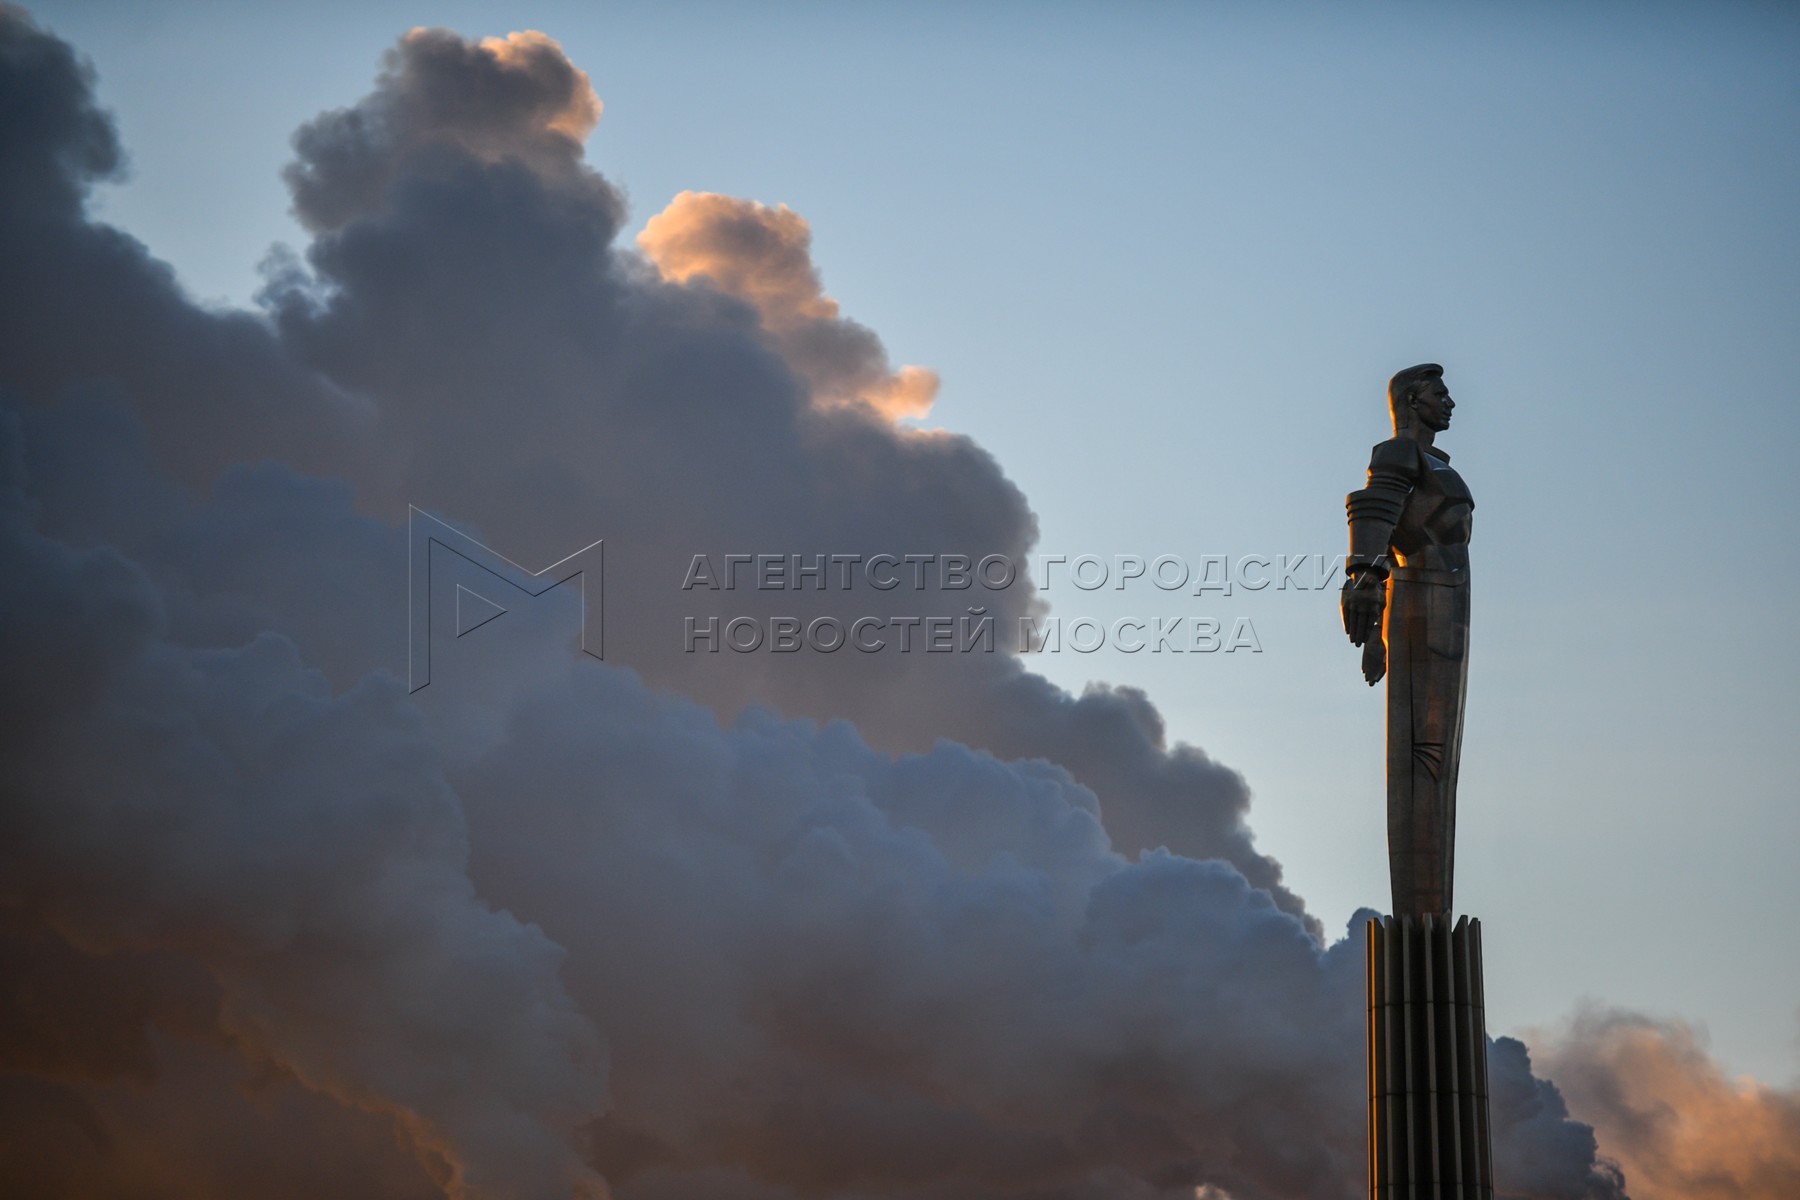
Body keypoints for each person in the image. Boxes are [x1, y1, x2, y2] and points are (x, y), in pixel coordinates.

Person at [1341, 363, 1473, 918]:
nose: (1450, 403)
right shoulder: (1399, 454)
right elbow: (1376, 512)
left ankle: (1433, 910)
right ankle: (1421, 919)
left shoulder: (1438, 463)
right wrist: (1366, 585)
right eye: (1439, 394)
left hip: (1452, 607)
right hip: (1419, 600)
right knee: (1424, 752)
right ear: (1413, 400)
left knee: (1442, 755)